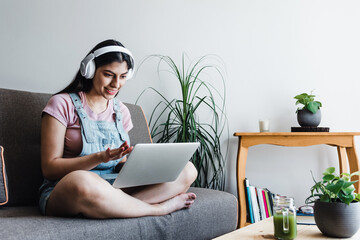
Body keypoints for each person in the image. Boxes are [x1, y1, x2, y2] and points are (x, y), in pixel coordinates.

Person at [39, 39, 198, 218]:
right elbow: (49, 168)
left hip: (113, 186)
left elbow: (119, 163)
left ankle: (118, 206)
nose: (116, 84)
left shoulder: (121, 111)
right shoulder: (62, 103)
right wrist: (99, 157)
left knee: (188, 169)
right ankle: (158, 208)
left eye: (122, 77)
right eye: (109, 74)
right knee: (82, 180)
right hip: (69, 187)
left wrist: (135, 167)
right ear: (90, 70)